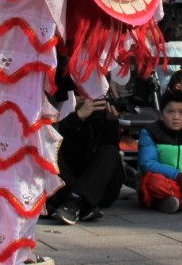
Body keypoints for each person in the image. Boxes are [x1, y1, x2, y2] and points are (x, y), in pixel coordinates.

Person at [49, 95, 125, 224]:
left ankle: (75, 201)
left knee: (110, 151)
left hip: (98, 188)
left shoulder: (100, 115)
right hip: (66, 183)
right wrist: (77, 117)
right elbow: (54, 141)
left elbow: (108, 155)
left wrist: (110, 122)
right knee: (50, 149)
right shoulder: (60, 112)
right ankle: (80, 205)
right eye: (80, 95)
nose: (86, 100)